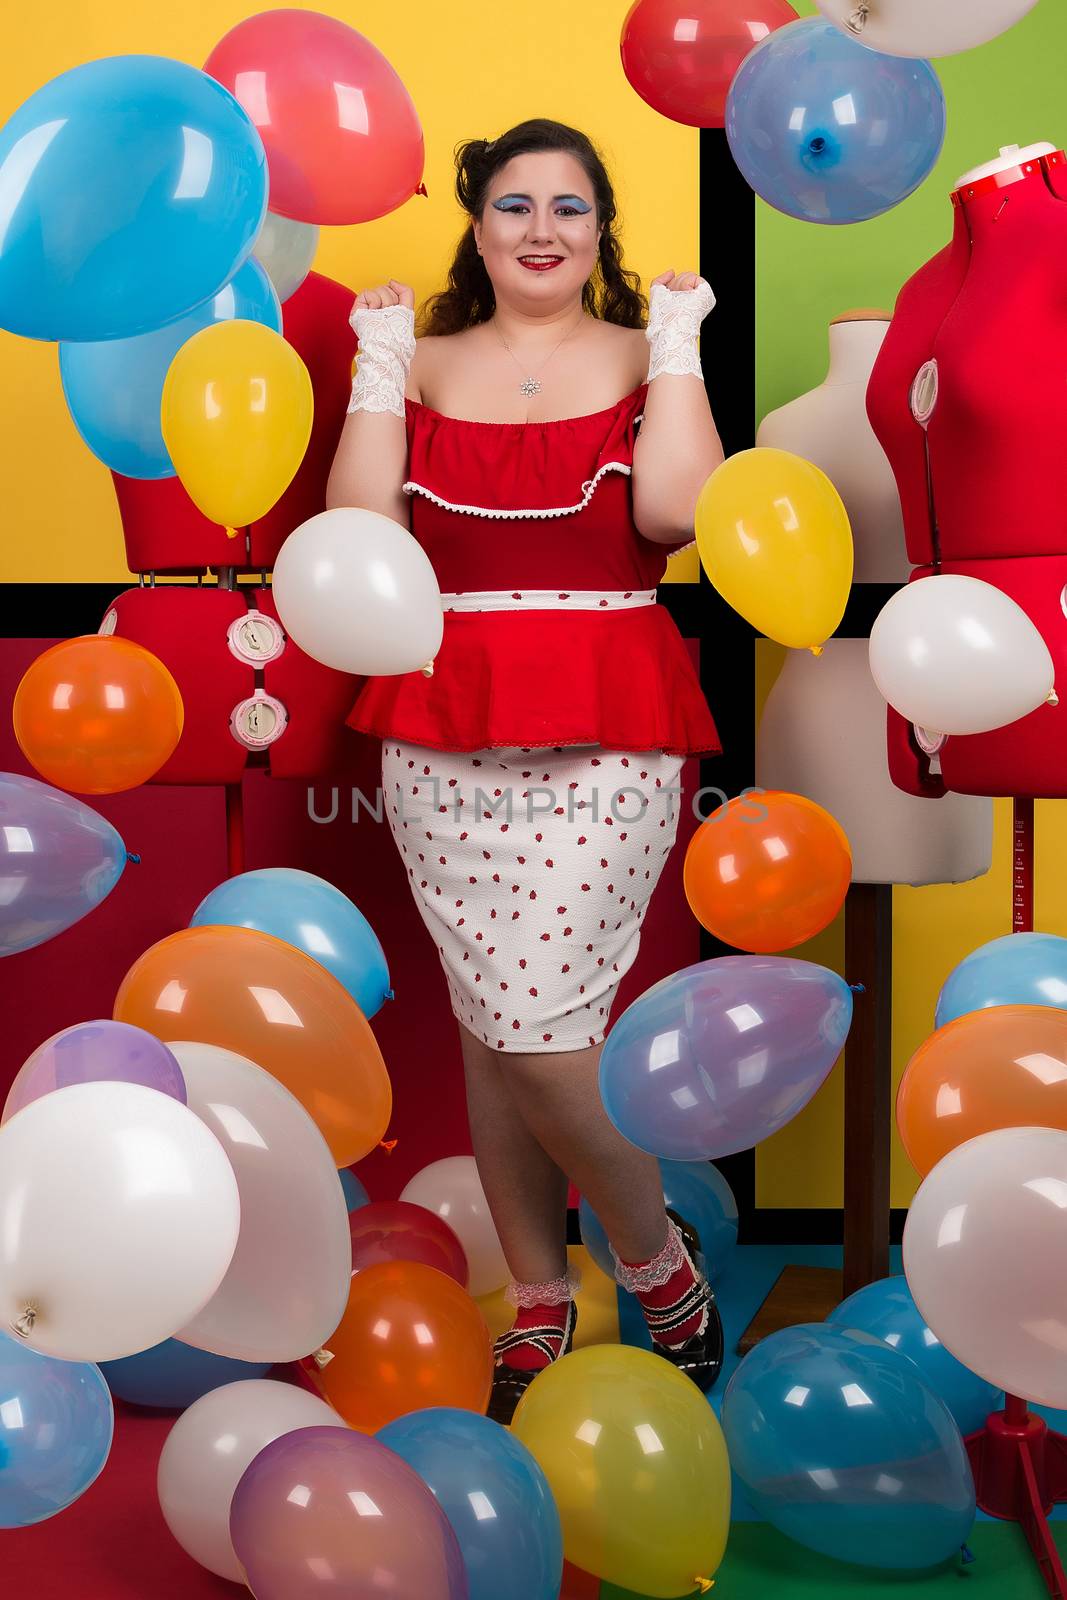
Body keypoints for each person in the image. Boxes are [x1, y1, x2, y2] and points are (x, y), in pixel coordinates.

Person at [327, 118, 725, 1422]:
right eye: (514, 206)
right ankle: (538, 1299)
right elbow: (360, 531)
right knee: (493, 1030)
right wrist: (377, 370)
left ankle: (655, 1264)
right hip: (444, 725)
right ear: (477, 225)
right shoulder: (424, 358)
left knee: (538, 1025)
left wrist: (678, 346)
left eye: (570, 205)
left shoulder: (641, 350)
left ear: (603, 226)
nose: (542, 229)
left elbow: (673, 512)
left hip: (609, 716)